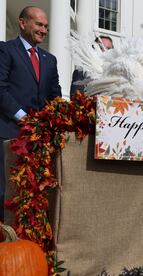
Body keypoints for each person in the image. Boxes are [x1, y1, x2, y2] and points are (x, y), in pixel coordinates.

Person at [0, 6, 61, 220]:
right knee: (5, 191)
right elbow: (1, 89)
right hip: (9, 133)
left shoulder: (49, 59)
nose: (44, 30)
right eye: (39, 24)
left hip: (38, 140)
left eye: (46, 26)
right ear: (23, 23)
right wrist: (23, 117)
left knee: (33, 194)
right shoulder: (5, 50)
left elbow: (55, 98)